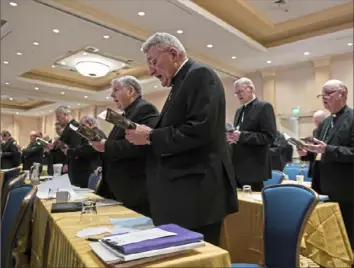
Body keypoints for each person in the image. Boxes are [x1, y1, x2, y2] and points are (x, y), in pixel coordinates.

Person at [125, 32, 238, 245]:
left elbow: (199, 130)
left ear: (174, 53)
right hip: (187, 195)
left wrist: (150, 135)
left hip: (197, 196)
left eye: (153, 62)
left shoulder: (200, 74)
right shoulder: (182, 81)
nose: (150, 71)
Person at [91, 76, 159, 216]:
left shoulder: (145, 109)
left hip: (134, 190)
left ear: (130, 91)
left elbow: (143, 145)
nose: (111, 95)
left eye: (116, 90)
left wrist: (106, 146)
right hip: (119, 188)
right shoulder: (126, 113)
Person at [298, 79, 353, 249]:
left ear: (343, 93)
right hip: (322, 187)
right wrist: (306, 154)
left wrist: (327, 149)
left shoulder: (352, 119)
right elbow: (320, 152)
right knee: (326, 237)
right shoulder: (326, 123)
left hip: (346, 190)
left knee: (346, 237)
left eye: (328, 93)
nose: (324, 98)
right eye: (322, 94)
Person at [227, 77, 276, 191]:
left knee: (253, 206)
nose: (238, 95)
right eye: (236, 93)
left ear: (250, 89)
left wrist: (242, 136)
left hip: (254, 168)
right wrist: (234, 138)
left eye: (240, 91)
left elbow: (269, 137)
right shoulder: (239, 111)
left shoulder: (264, 107)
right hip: (238, 166)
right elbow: (240, 133)